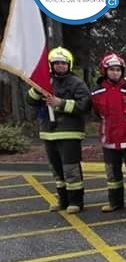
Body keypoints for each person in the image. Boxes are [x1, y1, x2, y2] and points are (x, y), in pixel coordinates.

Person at [26, 47, 91, 213]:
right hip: (49, 133)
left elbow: (85, 105)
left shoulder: (76, 83)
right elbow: (31, 101)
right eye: (56, 63)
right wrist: (37, 88)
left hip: (70, 132)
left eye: (63, 63)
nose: (60, 66)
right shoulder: (46, 81)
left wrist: (60, 103)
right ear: (51, 65)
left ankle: (76, 202)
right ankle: (62, 200)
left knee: (71, 169)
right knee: (57, 170)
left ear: (68, 64)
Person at [92, 53, 126, 213]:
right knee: (112, 174)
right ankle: (115, 202)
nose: (115, 72)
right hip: (109, 138)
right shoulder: (97, 92)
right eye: (111, 69)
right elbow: (97, 112)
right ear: (105, 71)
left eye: (118, 69)